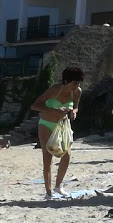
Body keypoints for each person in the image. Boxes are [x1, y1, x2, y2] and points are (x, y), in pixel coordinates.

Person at [35, 66, 83, 198]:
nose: (76, 86)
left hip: (63, 126)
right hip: (46, 124)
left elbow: (76, 106)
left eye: (78, 83)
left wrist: (73, 112)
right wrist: (55, 110)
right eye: (74, 83)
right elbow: (35, 105)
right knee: (48, 157)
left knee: (66, 155)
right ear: (66, 81)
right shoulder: (55, 90)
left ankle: (59, 186)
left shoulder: (77, 91)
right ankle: (48, 191)